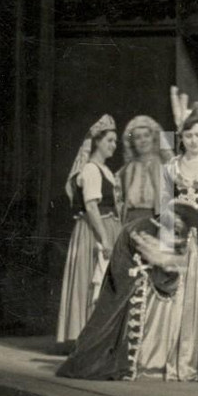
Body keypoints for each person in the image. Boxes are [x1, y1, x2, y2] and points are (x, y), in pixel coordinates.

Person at [57, 106, 198, 382]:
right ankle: (150, 356)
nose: (193, 141)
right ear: (182, 138)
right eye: (188, 136)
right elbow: (161, 208)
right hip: (176, 228)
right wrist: (175, 211)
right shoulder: (171, 166)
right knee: (130, 237)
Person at [57, 115, 123, 345]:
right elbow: (92, 206)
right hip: (94, 231)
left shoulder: (104, 170)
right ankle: (86, 337)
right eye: (109, 141)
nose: (114, 145)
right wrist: (104, 238)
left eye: (115, 141)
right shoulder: (92, 170)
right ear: (97, 143)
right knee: (92, 279)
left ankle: (98, 337)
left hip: (108, 227)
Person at [116, 115, 174, 225]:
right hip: (131, 221)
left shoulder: (163, 166)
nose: (143, 140)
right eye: (138, 137)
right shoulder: (128, 169)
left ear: (153, 138)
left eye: (146, 135)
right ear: (132, 142)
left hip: (155, 220)